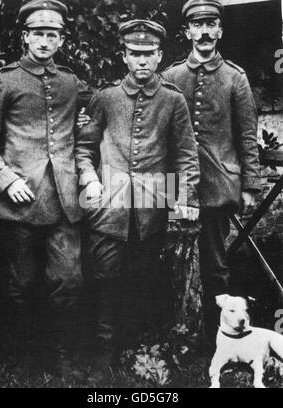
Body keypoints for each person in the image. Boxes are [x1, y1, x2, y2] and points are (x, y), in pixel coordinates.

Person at [76, 19, 200, 385]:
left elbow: (186, 155)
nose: (142, 61)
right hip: (109, 208)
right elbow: (83, 149)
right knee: (104, 277)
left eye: (149, 54)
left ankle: (134, 345)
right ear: (124, 56)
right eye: (135, 54)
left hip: (151, 208)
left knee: (142, 276)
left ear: (160, 56)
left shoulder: (173, 100)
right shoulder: (105, 97)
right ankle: (102, 352)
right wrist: (90, 178)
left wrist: (186, 198)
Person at [0, 0, 91, 379]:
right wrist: (5, 179)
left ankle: (58, 353)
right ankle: (26, 355)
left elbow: (86, 124)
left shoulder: (69, 81)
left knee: (67, 280)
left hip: (63, 199)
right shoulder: (3, 81)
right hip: (19, 199)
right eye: (38, 33)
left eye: (53, 34)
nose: (45, 40)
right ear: (25, 36)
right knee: (21, 283)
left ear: (61, 39)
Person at [162, 0, 261, 343]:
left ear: (220, 30)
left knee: (215, 264)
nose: (204, 32)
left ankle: (213, 337)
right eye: (197, 25)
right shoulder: (171, 76)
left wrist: (249, 185)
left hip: (218, 184)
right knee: (175, 258)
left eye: (211, 25)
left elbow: (247, 135)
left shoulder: (236, 77)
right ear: (187, 31)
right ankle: (178, 328)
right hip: (177, 186)